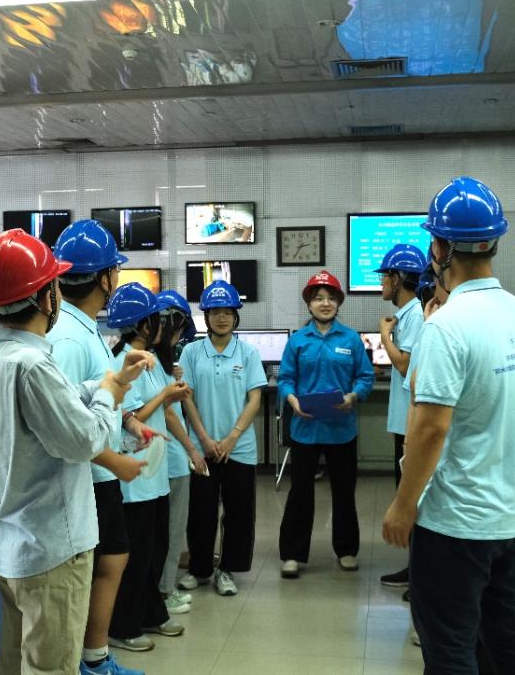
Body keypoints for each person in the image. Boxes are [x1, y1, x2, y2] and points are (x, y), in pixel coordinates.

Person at [382, 176, 515, 674]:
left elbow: (430, 429)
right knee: (508, 634)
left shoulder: (447, 325)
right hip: (514, 518)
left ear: (440, 249)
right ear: (493, 242)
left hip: (457, 524)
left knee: (450, 648)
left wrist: (403, 505)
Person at [0, 229, 154, 675]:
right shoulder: (33, 364)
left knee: (14, 665)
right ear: (45, 297)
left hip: (16, 544)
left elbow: (60, 404)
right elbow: (86, 438)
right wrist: (109, 394)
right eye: (54, 284)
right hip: (53, 548)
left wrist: (113, 382)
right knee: (52, 667)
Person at [46, 220, 152, 675]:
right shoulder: (70, 338)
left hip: (99, 472)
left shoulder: (83, 327)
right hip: (88, 475)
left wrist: (125, 413)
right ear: (106, 278)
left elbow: (91, 395)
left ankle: (95, 656)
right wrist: (115, 461)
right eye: (115, 271)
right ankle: (85, 661)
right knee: (92, 569)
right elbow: (66, 425)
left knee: (112, 558)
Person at [107, 282, 188, 652]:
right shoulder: (123, 362)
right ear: (142, 325)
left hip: (154, 475)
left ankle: (151, 613)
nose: (163, 326)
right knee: (137, 555)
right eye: (157, 319)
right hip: (134, 477)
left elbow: (156, 407)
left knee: (155, 548)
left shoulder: (150, 357)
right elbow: (133, 417)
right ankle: (124, 626)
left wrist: (170, 393)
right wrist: (166, 395)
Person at [278, 270, 374, 578]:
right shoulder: (297, 341)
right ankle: (292, 555)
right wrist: (292, 400)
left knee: (344, 492)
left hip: (341, 430)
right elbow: (285, 379)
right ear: (309, 303)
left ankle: (346, 550)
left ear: (338, 303)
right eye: (318, 298)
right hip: (304, 430)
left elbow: (365, 377)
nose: (325, 303)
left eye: (331, 298)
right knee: (300, 493)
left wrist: (353, 396)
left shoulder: (351, 339)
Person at [179, 280, 267, 596]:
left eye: (227, 312)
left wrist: (231, 438)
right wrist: (203, 439)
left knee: (239, 512)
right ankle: (200, 568)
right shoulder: (191, 352)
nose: (221, 318)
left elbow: (254, 399)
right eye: (215, 312)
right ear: (205, 316)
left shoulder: (247, 352)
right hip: (201, 448)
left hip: (239, 448)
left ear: (235, 316)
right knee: (200, 511)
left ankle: (227, 569)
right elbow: (186, 397)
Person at [374, 243, 427, 589]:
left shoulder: (415, 315)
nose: (381, 284)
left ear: (398, 278)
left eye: (384, 277)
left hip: (412, 423)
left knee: (413, 497)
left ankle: (421, 575)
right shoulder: (408, 315)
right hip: (404, 420)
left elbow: (406, 364)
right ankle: (416, 568)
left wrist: (384, 336)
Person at [153, 290, 206, 614]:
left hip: (158, 460)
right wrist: (192, 449)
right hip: (171, 459)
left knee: (161, 531)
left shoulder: (156, 362)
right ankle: (165, 590)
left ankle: (160, 588)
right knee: (171, 531)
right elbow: (171, 414)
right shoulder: (156, 364)